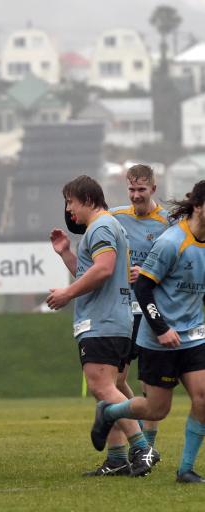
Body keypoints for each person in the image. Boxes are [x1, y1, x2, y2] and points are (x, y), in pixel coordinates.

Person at [91, 181, 205, 484]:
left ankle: (186, 470)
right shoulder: (171, 242)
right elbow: (143, 286)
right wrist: (162, 328)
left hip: (193, 335)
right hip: (160, 338)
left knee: (203, 398)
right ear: (198, 206)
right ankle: (110, 412)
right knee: (156, 410)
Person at [47, 175, 158, 477]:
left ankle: (142, 447)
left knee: (102, 386)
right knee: (115, 387)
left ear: (87, 200)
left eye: (70, 202)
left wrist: (67, 293)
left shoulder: (101, 226)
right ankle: (119, 457)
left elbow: (104, 270)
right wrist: (66, 253)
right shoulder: (104, 227)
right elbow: (90, 273)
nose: (69, 210)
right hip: (113, 318)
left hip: (103, 320)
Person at [109, 164, 168, 450]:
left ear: (153, 189)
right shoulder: (116, 217)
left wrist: (145, 273)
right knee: (117, 379)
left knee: (151, 381)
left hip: (155, 309)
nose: (135, 195)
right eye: (131, 189)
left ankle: (149, 445)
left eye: (141, 190)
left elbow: (178, 265)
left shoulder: (169, 222)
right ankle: (140, 434)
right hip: (124, 308)